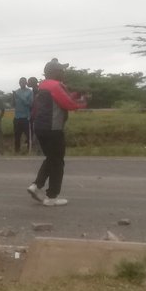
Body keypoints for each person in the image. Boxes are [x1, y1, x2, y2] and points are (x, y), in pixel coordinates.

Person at [27, 58, 87, 207]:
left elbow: (59, 100)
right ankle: (52, 197)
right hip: (53, 129)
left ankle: (36, 186)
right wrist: (83, 101)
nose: (64, 72)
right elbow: (69, 104)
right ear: (53, 72)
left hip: (40, 128)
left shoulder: (44, 85)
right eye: (61, 70)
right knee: (58, 162)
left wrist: (74, 95)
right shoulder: (56, 85)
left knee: (52, 158)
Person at [12, 77, 33, 154]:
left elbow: (30, 104)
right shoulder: (16, 92)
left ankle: (29, 151)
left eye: (23, 82)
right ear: (19, 83)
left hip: (26, 118)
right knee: (17, 136)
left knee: (28, 136)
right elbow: (13, 105)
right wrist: (13, 98)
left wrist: (19, 97)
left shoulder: (29, 92)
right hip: (17, 117)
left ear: (26, 83)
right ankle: (17, 151)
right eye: (20, 82)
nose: (22, 83)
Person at [26, 77, 40, 155]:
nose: (28, 83)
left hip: (36, 115)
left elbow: (34, 104)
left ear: (33, 82)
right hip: (35, 114)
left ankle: (35, 150)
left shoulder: (36, 91)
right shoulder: (36, 90)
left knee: (35, 132)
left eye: (29, 82)